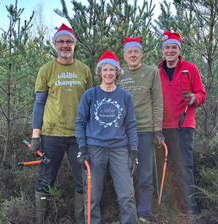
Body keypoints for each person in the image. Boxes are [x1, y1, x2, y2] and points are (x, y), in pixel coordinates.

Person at [30, 23, 93, 224]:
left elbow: (91, 104)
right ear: (55, 44)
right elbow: (39, 104)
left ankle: (81, 221)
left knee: (83, 180)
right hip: (52, 134)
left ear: (74, 45)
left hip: (79, 136)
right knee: (45, 179)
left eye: (68, 41)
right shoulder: (46, 70)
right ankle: (41, 220)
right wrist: (35, 136)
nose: (65, 45)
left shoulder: (84, 70)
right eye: (61, 41)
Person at [75, 50, 139, 224]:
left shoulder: (125, 96)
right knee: (92, 196)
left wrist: (133, 151)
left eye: (112, 69)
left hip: (119, 150)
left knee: (127, 196)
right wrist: (82, 147)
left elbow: (131, 125)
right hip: (95, 149)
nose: (108, 73)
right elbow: (80, 123)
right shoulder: (90, 95)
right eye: (105, 70)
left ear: (117, 72)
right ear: (100, 73)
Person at [157, 31, 206, 217]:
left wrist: (194, 98)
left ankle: (190, 208)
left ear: (179, 50)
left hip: (183, 125)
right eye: (167, 47)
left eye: (174, 47)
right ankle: (166, 208)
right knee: (163, 168)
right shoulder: (157, 72)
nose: (170, 51)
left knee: (184, 166)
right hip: (161, 127)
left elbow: (202, 94)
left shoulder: (190, 69)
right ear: (162, 51)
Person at [118, 37, 163, 223]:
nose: (133, 55)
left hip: (144, 131)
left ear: (142, 54)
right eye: (130, 52)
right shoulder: (118, 74)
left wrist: (158, 129)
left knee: (145, 174)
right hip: (121, 134)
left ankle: (145, 213)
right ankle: (127, 214)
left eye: (137, 51)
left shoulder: (152, 72)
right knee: (123, 174)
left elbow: (158, 101)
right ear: (124, 56)